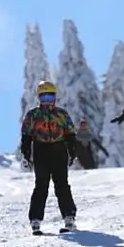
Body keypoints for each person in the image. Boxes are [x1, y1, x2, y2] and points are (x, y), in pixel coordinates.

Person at [20, 80, 78, 234]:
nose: (47, 101)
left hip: (59, 150)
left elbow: (70, 134)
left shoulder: (61, 114)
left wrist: (72, 150)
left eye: (50, 97)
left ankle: (69, 217)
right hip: (41, 150)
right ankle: (35, 219)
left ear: (55, 97)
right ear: (39, 98)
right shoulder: (33, 115)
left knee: (62, 185)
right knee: (41, 185)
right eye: (44, 97)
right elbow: (26, 136)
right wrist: (26, 153)